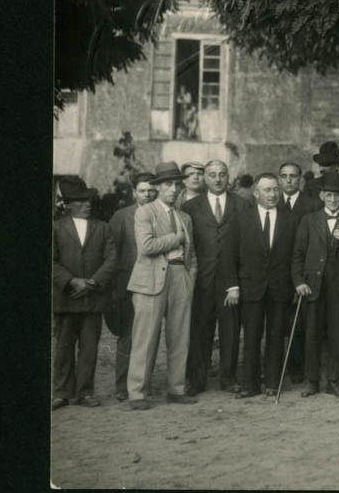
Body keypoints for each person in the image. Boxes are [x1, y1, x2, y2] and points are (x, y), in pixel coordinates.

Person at [125, 161, 198, 410]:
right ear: (158, 187)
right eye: (168, 184)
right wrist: (174, 239)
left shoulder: (185, 217)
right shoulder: (145, 212)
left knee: (180, 336)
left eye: (177, 184)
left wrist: (191, 277)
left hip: (180, 276)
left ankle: (176, 390)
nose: (174, 189)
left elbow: (193, 253)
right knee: (145, 337)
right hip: (150, 280)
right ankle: (137, 393)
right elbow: (146, 247)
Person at [221, 172, 296, 399]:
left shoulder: (290, 219)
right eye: (267, 190)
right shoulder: (241, 218)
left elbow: (295, 256)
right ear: (256, 193)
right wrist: (232, 286)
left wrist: (294, 285)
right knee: (251, 337)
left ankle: (273, 383)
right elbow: (228, 255)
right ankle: (250, 385)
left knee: (275, 338)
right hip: (250, 288)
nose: (273, 194)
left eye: (275, 189)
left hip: (279, 289)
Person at [182, 159, 249, 396]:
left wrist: (238, 282)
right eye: (212, 175)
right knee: (200, 332)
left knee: (230, 332)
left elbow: (246, 245)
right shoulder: (191, 208)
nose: (218, 179)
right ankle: (197, 380)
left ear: (228, 176)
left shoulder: (242, 205)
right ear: (205, 178)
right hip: (202, 279)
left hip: (231, 281)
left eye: (222, 174)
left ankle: (228, 378)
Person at [52, 177, 116, 410]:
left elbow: (112, 259)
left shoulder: (102, 227)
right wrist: (71, 281)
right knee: (63, 348)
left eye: (89, 200)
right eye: (81, 201)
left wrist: (93, 283)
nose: (88, 204)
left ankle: (85, 392)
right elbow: (52, 261)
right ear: (68, 204)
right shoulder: (56, 228)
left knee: (89, 347)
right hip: (66, 299)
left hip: (92, 299)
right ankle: (61, 393)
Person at [291, 171, 339, 397]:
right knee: (311, 335)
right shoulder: (309, 220)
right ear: (321, 196)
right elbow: (297, 254)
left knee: (337, 336)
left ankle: (334, 381)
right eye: (329, 195)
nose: (333, 200)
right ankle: (312, 381)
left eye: (337, 196)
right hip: (313, 287)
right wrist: (299, 281)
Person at [106, 171, 157, 402]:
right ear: (134, 192)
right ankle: (122, 385)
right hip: (128, 284)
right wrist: (116, 288)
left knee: (151, 336)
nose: (147, 194)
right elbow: (112, 253)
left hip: (156, 281)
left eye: (150, 190)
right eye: (142, 191)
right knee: (128, 335)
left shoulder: (160, 214)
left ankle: (144, 383)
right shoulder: (121, 216)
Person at [277, 160, 314, 381]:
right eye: (284, 176)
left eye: (293, 176)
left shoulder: (311, 204)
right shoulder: (272, 200)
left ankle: (297, 368)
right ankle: (274, 365)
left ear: (300, 179)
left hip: (302, 269)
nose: (289, 180)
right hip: (278, 270)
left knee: (298, 322)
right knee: (276, 320)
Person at [303, 141, 339, 206]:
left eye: (326, 165)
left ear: (337, 165)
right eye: (320, 165)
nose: (321, 169)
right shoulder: (311, 187)